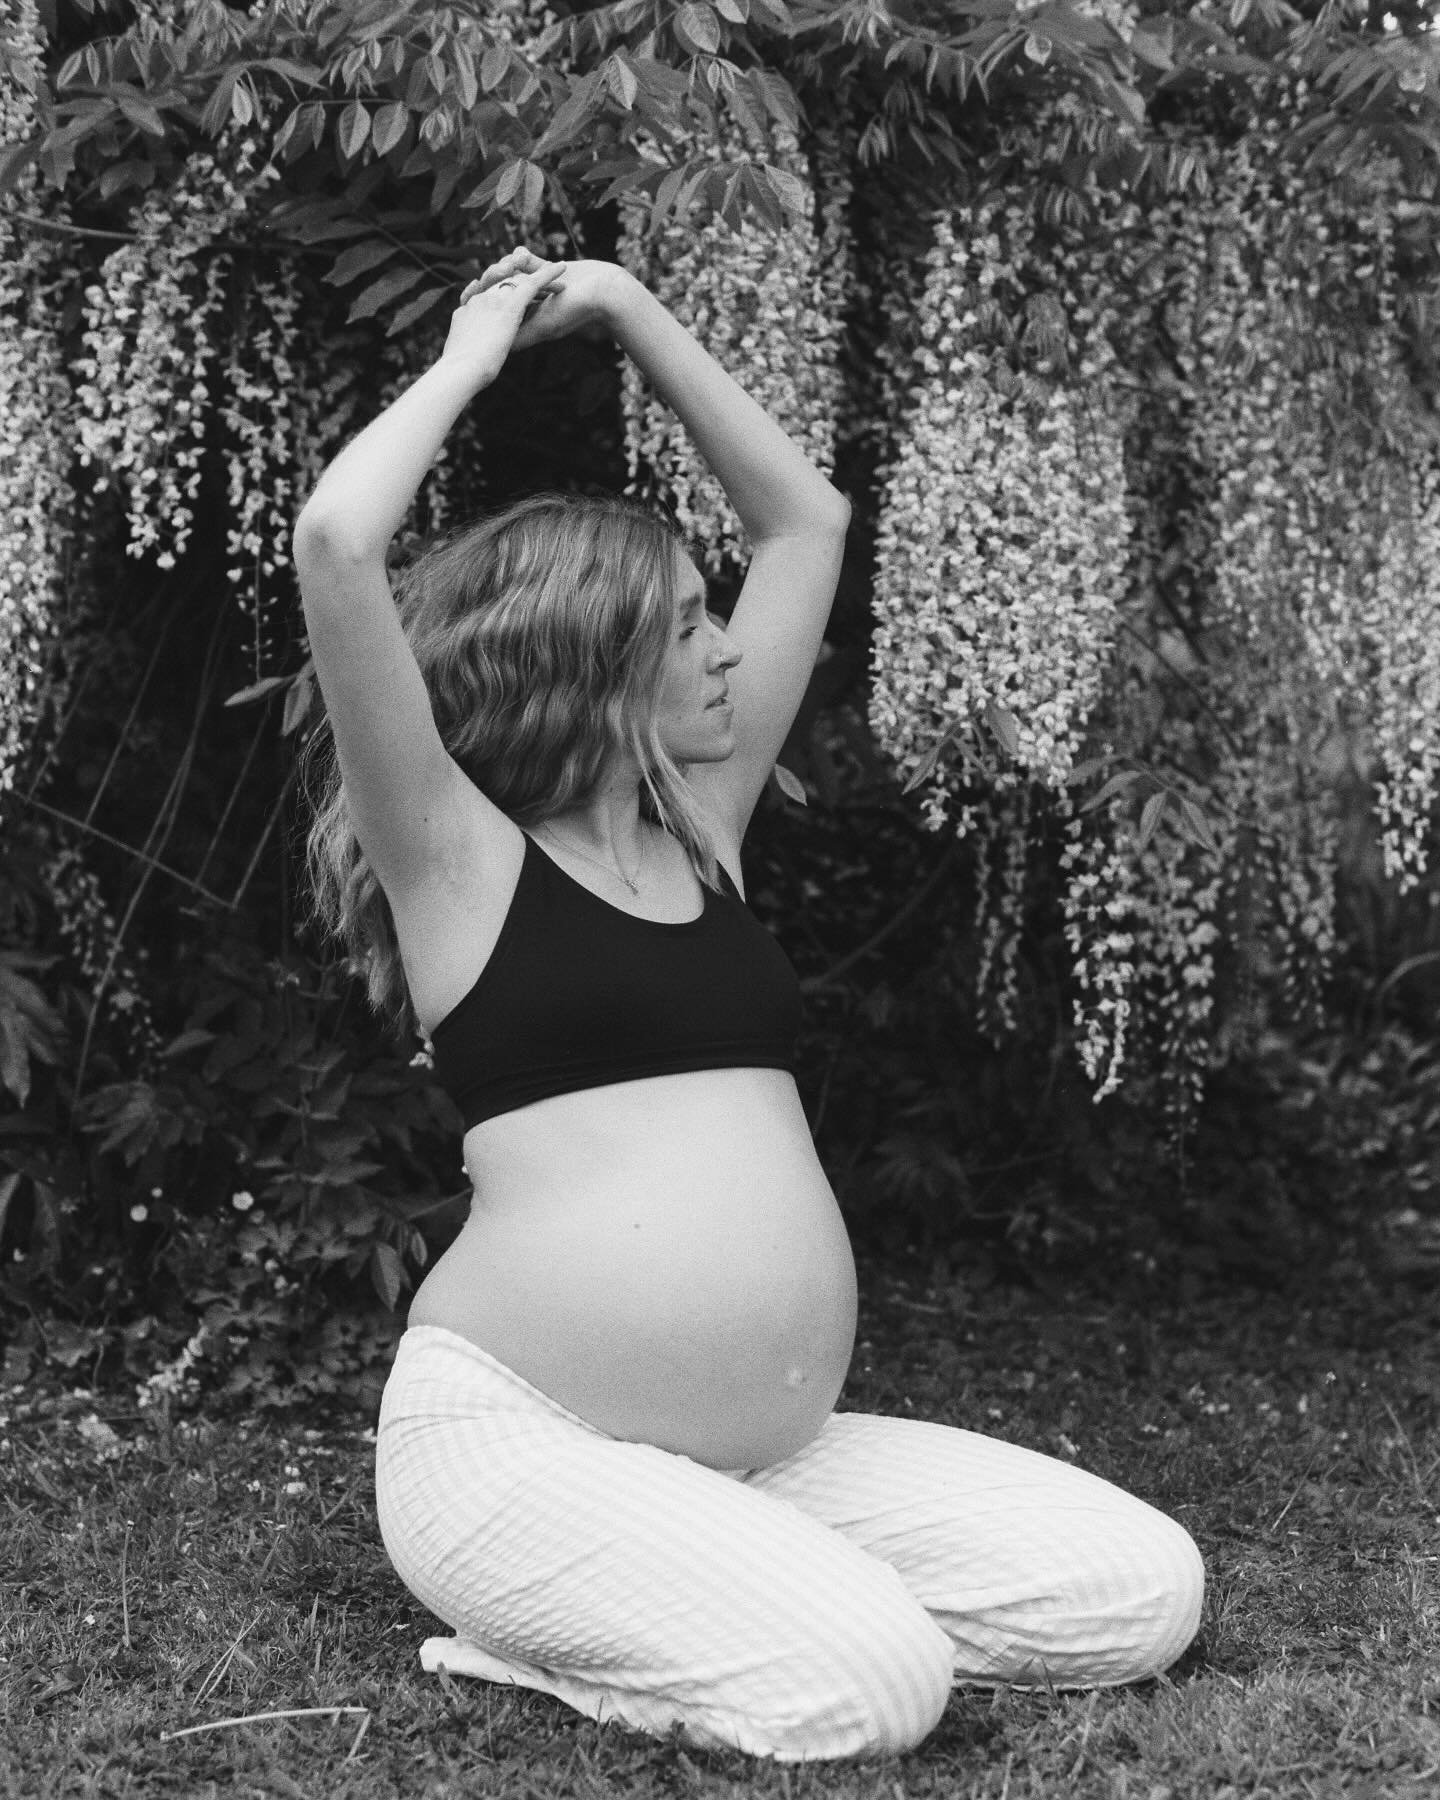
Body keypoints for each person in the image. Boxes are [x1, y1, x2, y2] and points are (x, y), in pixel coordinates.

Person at [294, 247, 1204, 1763]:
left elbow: (809, 522)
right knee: (876, 1690)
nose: (730, 649)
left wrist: (628, 307)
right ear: (590, 661)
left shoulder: (698, 833)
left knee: (1142, 1593)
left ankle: (734, 1575)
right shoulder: (454, 861)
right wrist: (468, 355)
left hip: (762, 1462)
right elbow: (335, 539)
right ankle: (558, 1641)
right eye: (688, 628)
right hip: (520, 1447)